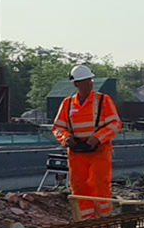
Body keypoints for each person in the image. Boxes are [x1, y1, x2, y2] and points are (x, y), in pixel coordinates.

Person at [52, 63, 121, 219]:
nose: (89, 84)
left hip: (99, 151)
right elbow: (57, 127)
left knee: (99, 184)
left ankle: (103, 221)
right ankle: (85, 224)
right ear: (76, 84)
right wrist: (66, 138)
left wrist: (97, 137)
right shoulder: (68, 104)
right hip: (77, 153)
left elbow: (115, 123)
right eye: (85, 81)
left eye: (90, 80)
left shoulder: (103, 101)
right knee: (79, 187)